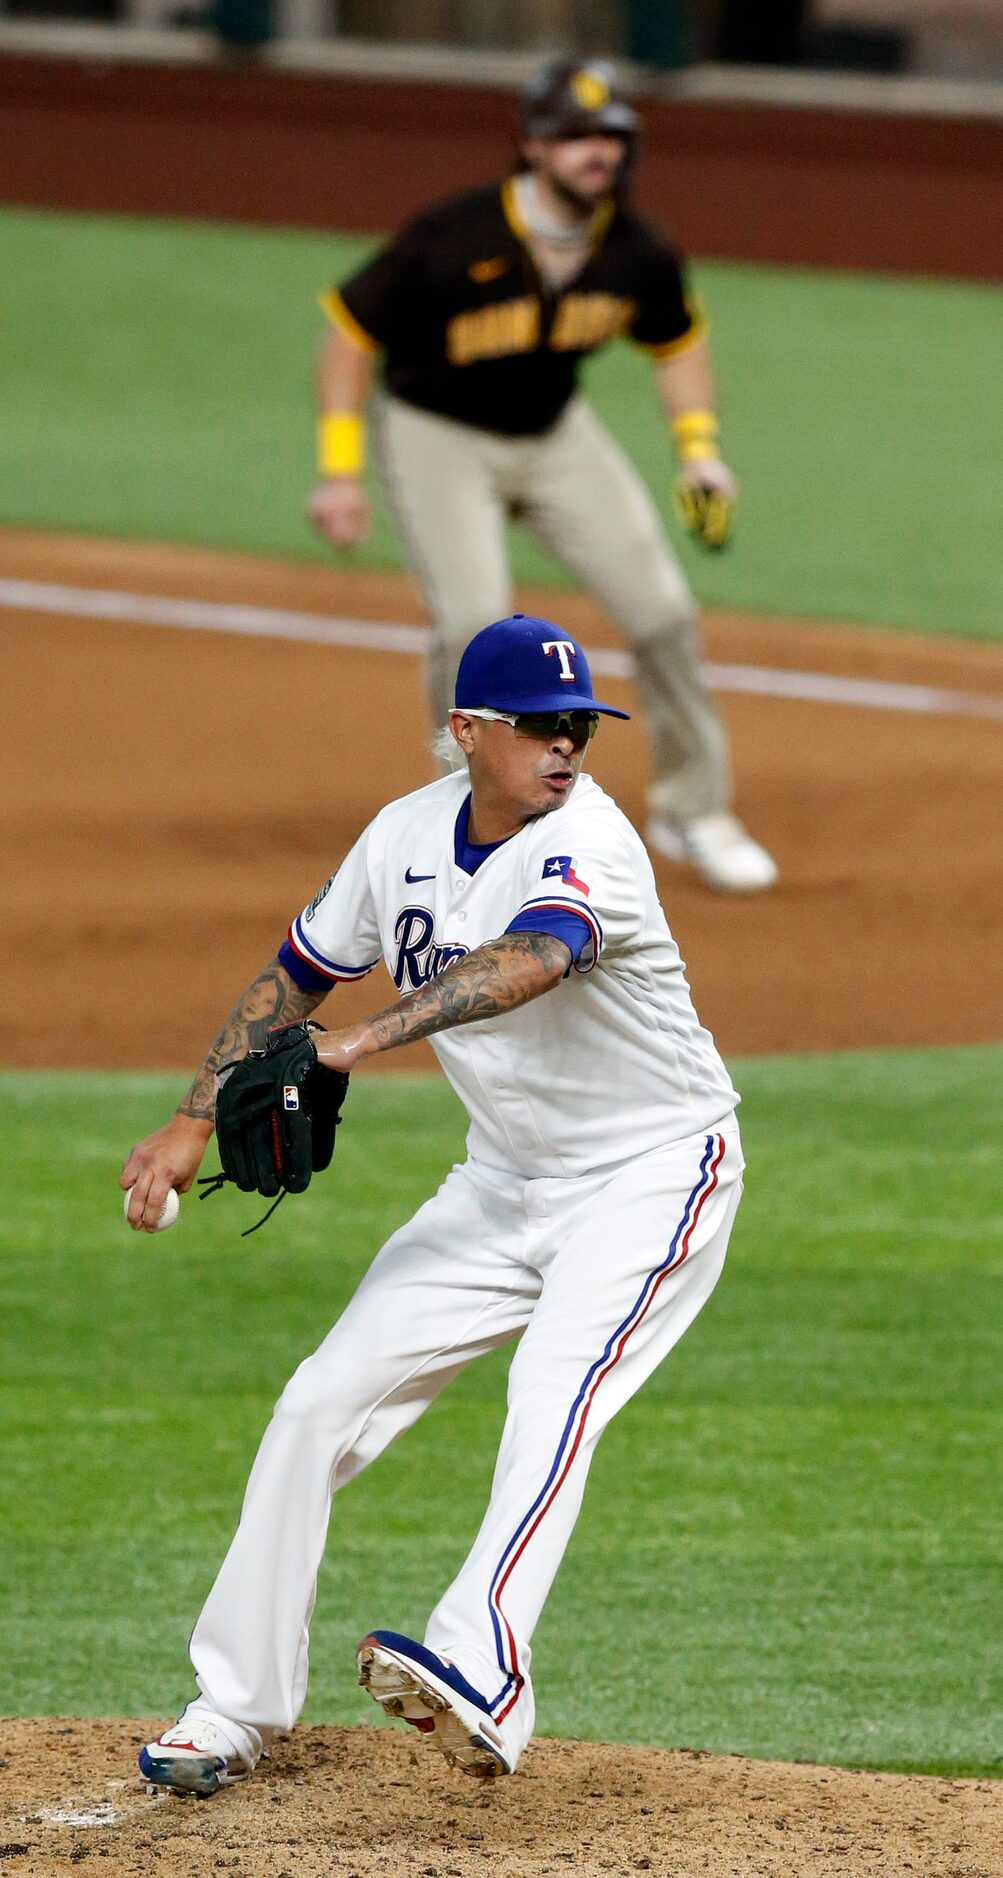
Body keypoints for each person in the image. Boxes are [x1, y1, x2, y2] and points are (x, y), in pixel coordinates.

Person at [122, 613, 745, 1795]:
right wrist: (193, 1116)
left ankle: (486, 1672)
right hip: (502, 1183)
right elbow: (301, 967)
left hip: (654, 1172)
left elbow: (531, 959)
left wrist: (357, 1042)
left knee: (553, 1394)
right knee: (317, 1404)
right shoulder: (402, 836)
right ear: (467, 731)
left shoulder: (593, 843)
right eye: (540, 728)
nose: (567, 749)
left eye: (581, 729)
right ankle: (234, 1705)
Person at [307, 58, 777, 895]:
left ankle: (691, 808)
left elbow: (676, 342)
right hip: (435, 434)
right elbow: (350, 333)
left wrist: (698, 446)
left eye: (610, 136)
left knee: (663, 614)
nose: (597, 151)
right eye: (575, 135)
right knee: (472, 627)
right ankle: (461, 820)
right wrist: (339, 473)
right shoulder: (453, 237)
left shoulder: (635, 251)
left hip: (555, 435)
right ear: (530, 144)